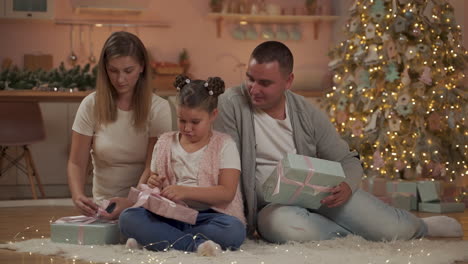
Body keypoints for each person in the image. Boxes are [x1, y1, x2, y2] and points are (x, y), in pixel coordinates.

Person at [213, 40, 463, 243]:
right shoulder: (231, 104)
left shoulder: (305, 112)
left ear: (288, 81)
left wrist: (345, 185)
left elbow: (346, 159)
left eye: (264, 83)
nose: (253, 88)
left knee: (390, 227)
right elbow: (229, 168)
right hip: (271, 206)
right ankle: (353, 239)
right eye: (250, 78)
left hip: (319, 195)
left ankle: (420, 227)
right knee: (282, 225)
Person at [119, 75, 246, 256]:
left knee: (234, 231)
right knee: (127, 218)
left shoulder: (225, 145)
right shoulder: (164, 142)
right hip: (169, 215)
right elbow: (152, 181)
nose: (187, 128)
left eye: (195, 122)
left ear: (213, 116)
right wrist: (154, 182)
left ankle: (154, 240)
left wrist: (185, 191)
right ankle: (195, 245)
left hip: (208, 218)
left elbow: (226, 193)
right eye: (182, 120)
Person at [68, 31, 172, 219]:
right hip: (103, 206)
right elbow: (76, 162)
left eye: (128, 71)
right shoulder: (90, 104)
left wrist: (132, 202)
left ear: (141, 67)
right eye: (113, 71)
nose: (120, 79)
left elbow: (152, 167)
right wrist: (78, 196)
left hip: (143, 203)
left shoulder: (159, 108)